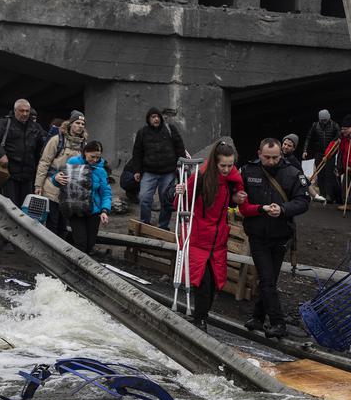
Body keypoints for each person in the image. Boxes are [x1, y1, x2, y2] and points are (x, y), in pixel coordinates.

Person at [173, 140, 247, 331]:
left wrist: (237, 199)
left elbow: (232, 202)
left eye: (230, 165)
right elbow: (180, 204)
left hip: (218, 241)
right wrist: (180, 192)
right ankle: (201, 320)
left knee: (214, 283)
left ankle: (201, 317)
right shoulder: (200, 177)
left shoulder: (231, 181)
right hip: (198, 238)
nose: (227, 169)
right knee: (202, 281)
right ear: (215, 162)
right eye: (223, 165)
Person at [240, 138, 311, 338]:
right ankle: (278, 322)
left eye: (275, 157)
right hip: (257, 234)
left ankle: (258, 317)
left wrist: (282, 210)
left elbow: (303, 201)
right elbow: (236, 195)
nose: (271, 161)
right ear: (259, 154)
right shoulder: (249, 171)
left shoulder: (292, 173)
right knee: (267, 279)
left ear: (281, 155)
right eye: (267, 157)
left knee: (269, 279)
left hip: (281, 235)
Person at [34, 110, 88, 239]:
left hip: (70, 191)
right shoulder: (57, 140)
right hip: (52, 188)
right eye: (77, 122)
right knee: (52, 222)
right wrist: (38, 185)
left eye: (82, 123)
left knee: (64, 225)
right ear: (70, 124)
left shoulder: (84, 145)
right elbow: (44, 162)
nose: (80, 125)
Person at [131, 107, 187, 230]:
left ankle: (163, 226)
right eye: (153, 117)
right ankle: (145, 224)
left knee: (166, 200)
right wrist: (136, 170)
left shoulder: (169, 129)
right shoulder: (142, 133)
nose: (156, 119)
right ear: (148, 119)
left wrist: (182, 164)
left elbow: (179, 147)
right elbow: (137, 153)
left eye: (157, 116)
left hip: (168, 172)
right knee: (144, 197)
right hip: (149, 172)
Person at [51, 140, 111, 254]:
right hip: (75, 209)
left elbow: (106, 193)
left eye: (98, 157)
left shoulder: (101, 170)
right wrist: (56, 178)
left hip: (94, 211)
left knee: (90, 244)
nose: (95, 160)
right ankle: (76, 268)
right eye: (92, 156)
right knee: (81, 243)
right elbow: (61, 181)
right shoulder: (73, 162)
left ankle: (83, 266)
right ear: (85, 152)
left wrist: (104, 210)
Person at [0, 98, 45, 210]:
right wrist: (1, 154)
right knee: (11, 208)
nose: (25, 114)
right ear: (15, 110)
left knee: (26, 209)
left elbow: (44, 145)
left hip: (28, 175)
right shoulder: (5, 123)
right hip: (9, 174)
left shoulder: (35, 127)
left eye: (27, 111)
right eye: (22, 111)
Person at [303, 109, 340, 202]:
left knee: (329, 174)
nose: (323, 122)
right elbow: (308, 137)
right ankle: (322, 194)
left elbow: (339, 138)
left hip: (330, 154)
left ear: (329, 118)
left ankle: (329, 195)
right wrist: (305, 150)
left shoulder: (335, 126)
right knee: (320, 174)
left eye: (325, 120)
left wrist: (333, 151)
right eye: (322, 120)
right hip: (319, 153)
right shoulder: (315, 125)